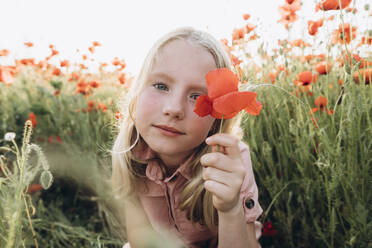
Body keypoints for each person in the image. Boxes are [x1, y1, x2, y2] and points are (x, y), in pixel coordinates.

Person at [111, 27, 263, 248]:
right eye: (161, 86)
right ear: (137, 92)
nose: (174, 109)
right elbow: (139, 237)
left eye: (196, 96)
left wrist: (230, 208)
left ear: (216, 119)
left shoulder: (229, 162)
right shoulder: (130, 152)